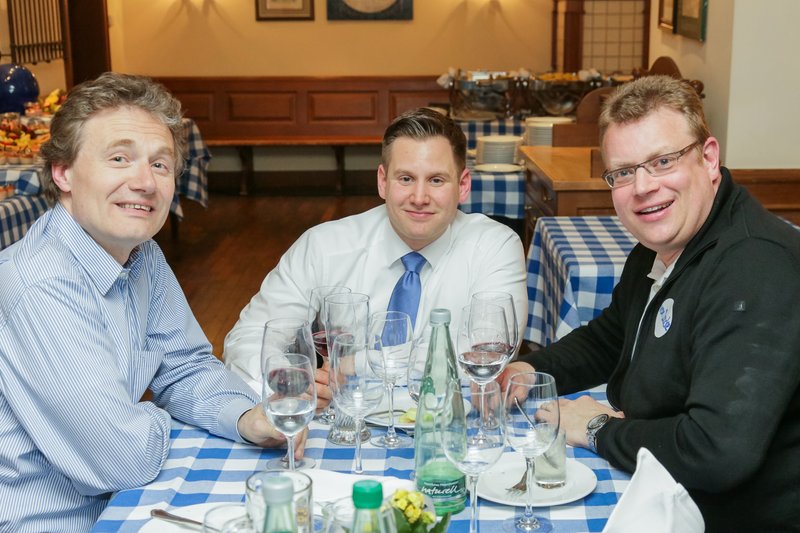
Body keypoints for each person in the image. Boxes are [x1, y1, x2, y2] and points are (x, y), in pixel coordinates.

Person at [0, 73, 310, 532]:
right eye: (119, 158)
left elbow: (184, 367)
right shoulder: (40, 285)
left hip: (122, 503)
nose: (145, 182)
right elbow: (121, 457)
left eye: (160, 165)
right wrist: (153, 417)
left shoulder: (141, 254)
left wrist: (245, 417)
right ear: (62, 172)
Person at [500, 75, 800, 531]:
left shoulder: (757, 267)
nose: (642, 186)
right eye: (623, 172)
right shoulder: (664, 244)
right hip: (665, 487)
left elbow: (717, 451)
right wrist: (531, 369)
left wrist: (599, 430)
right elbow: (612, 337)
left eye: (662, 161)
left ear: (709, 158)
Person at [224, 107, 528, 393]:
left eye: (436, 180)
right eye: (406, 179)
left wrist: (354, 363)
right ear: (383, 181)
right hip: (343, 419)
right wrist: (289, 385)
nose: (419, 197)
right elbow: (249, 339)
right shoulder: (324, 246)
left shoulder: (495, 247)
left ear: (462, 186)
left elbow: (487, 357)